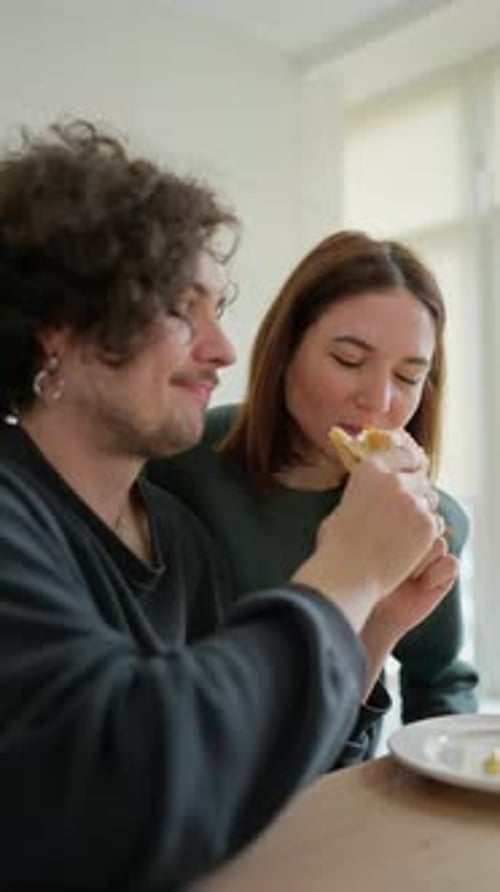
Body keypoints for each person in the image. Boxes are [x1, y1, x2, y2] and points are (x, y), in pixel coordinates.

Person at [0, 121, 451, 891]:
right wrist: (345, 567)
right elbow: (124, 792)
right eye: (183, 309)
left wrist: (374, 626)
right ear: (60, 331)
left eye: (219, 310)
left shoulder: (180, 539)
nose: (224, 350)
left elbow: (257, 777)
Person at [150, 230, 479, 742]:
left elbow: (438, 680)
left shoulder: (432, 519)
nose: (378, 400)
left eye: (409, 376)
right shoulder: (182, 460)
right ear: (285, 351)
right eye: (348, 360)